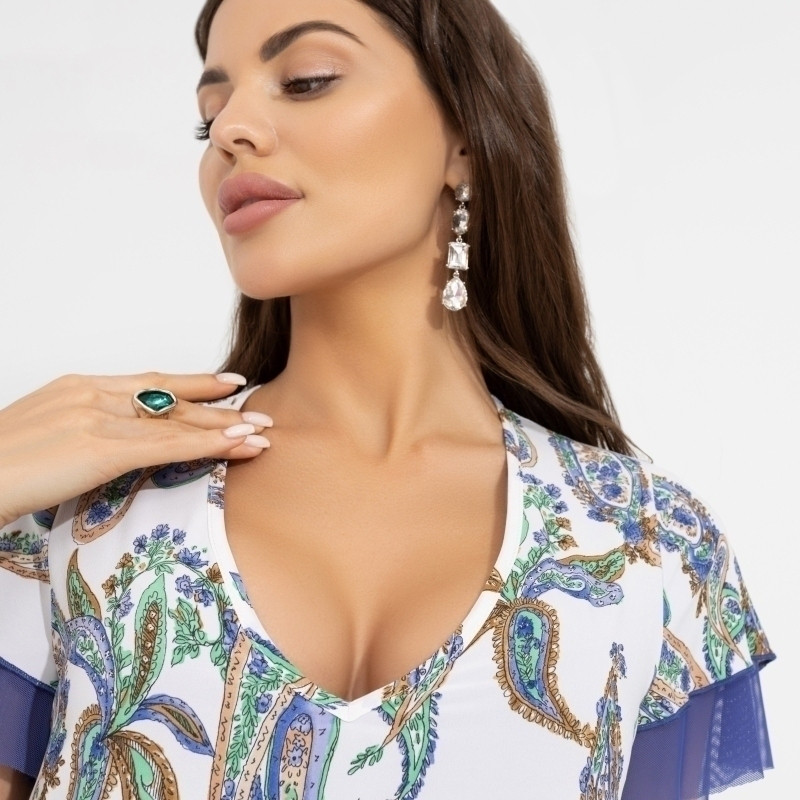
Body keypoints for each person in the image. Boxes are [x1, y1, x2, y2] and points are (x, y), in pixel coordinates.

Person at [0, 0, 775, 798]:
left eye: (306, 80)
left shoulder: (648, 546)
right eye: (210, 114)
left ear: (463, 139)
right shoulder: (86, 513)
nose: (231, 130)